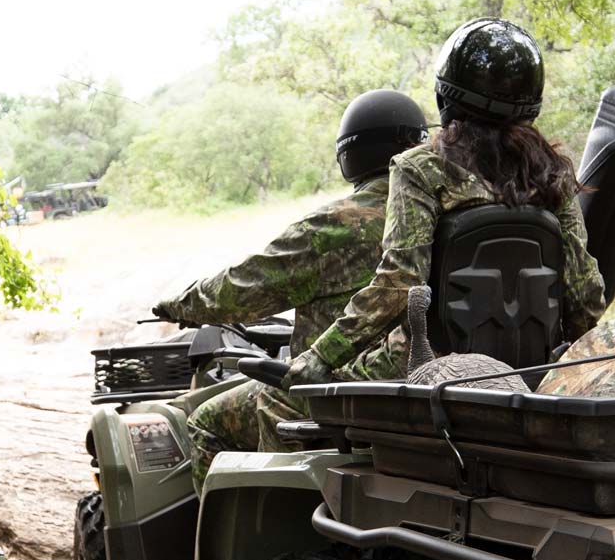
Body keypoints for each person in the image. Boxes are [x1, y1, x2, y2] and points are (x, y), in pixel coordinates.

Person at [287, 17, 606, 390]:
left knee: (265, 401)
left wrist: (322, 356)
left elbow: (399, 284)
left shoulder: (420, 168)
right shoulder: (553, 176)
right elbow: (586, 298)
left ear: (445, 97)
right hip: (526, 379)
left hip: (429, 373)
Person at [159, 89, 426, 474]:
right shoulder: (440, 208)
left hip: (334, 389)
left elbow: (244, 288)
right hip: (423, 378)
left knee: (205, 422)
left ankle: (241, 528)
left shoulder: (337, 224)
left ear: (349, 153)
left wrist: (181, 304)